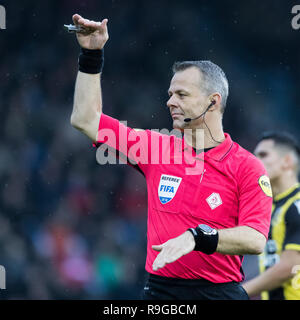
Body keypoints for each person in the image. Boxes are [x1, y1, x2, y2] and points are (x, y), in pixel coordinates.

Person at [69, 14, 273, 300]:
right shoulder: (155, 148)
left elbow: (255, 239)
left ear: (213, 101)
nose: (170, 101)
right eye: (170, 93)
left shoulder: (248, 167)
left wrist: (198, 237)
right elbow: (86, 119)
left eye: (181, 94)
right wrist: (91, 54)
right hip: (160, 293)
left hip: (219, 294)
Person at [243, 132, 300, 300]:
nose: (255, 161)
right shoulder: (270, 207)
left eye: (263, 155)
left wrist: (239, 292)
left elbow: (290, 265)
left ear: (287, 161)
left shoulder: (296, 205)